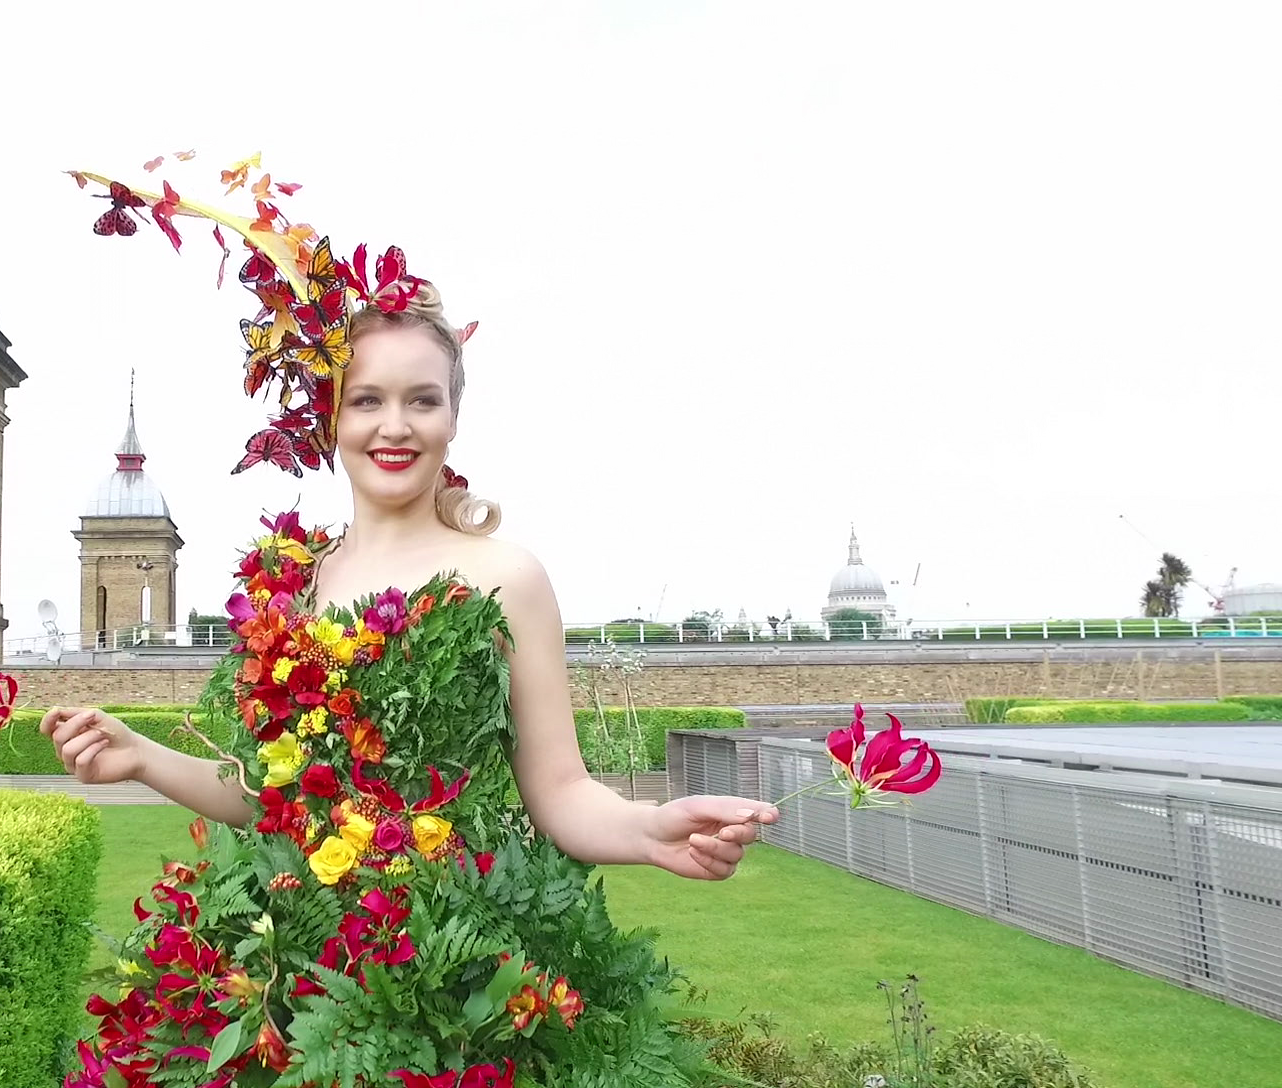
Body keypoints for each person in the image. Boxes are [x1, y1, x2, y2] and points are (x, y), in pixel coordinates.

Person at [47, 162, 780, 1088]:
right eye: (367, 400)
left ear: (453, 418)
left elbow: (559, 791)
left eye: (422, 399)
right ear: (329, 420)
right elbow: (275, 800)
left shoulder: (506, 578)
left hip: (460, 986)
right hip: (298, 981)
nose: (395, 426)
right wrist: (142, 758)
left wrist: (647, 829)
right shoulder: (293, 590)